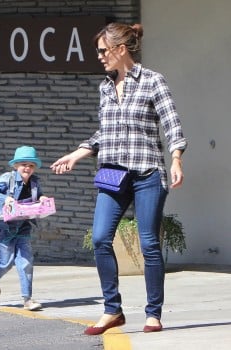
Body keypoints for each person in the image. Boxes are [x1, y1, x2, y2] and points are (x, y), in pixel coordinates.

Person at [50, 22, 187, 335]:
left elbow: (172, 125)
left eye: (102, 51)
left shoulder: (153, 81)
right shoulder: (105, 87)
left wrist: (176, 158)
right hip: (113, 172)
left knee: (150, 244)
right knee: (100, 238)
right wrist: (77, 153)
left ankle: (153, 314)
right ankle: (113, 310)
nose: (99, 57)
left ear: (120, 49)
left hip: (147, 173)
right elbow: (106, 131)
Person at [0, 146, 47, 311]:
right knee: (6, 263)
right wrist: (5, 199)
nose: (27, 168)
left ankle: (27, 300)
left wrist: (42, 198)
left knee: (26, 262)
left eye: (31, 165)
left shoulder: (34, 182)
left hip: (23, 226)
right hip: (5, 227)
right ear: (16, 166)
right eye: (23, 165)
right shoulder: (8, 178)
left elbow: (38, 195)